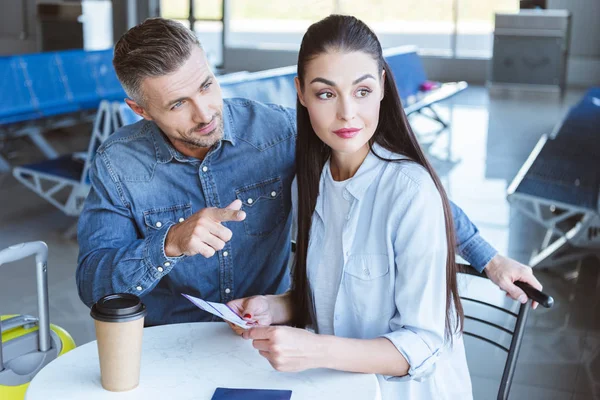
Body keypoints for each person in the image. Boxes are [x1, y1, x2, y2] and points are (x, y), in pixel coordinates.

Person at [76, 17, 542, 328]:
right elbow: (92, 284)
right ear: (139, 110)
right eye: (178, 104)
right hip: (169, 344)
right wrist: (169, 243)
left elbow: (394, 179)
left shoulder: (275, 132)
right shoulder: (119, 164)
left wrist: (487, 256)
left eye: (207, 85)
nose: (205, 114)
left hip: (273, 329)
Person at [227, 14, 472, 399]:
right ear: (301, 93)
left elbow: (424, 346)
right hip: (333, 387)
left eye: (361, 91)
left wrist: (313, 349)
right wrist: (274, 308)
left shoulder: (411, 193)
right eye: (326, 93)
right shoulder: (308, 183)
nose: (346, 113)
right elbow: (331, 297)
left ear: (382, 89)